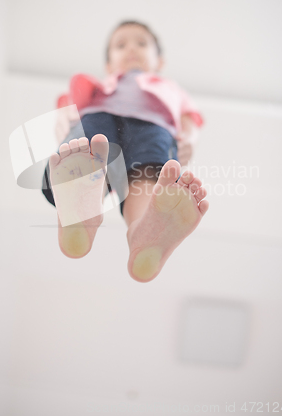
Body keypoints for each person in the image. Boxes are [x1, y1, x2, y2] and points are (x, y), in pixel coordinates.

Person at [42, 20, 209, 283]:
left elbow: (191, 118)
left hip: (153, 123)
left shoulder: (170, 87)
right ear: (109, 66)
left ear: (159, 62)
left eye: (142, 43)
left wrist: (190, 138)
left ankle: (144, 230)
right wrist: (63, 119)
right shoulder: (98, 85)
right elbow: (67, 106)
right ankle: (81, 209)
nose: (131, 48)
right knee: (89, 149)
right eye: (121, 45)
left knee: (147, 175)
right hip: (99, 114)